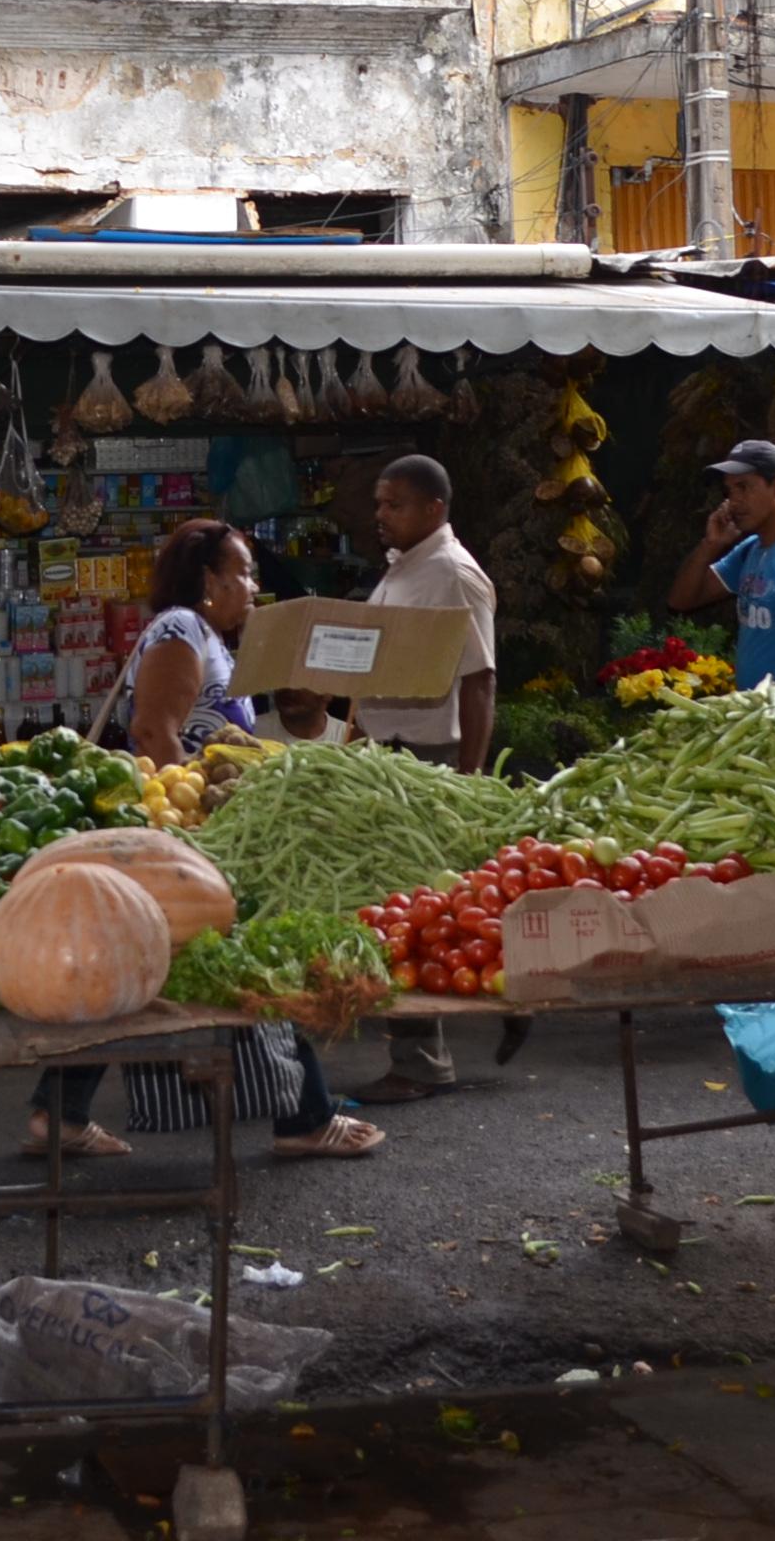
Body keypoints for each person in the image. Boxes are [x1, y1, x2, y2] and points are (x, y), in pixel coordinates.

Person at [30, 519, 385, 1163]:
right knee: (256, 946)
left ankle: (58, 1111)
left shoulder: (211, 638)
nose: (253, 585)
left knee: (139, 965)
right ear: (208, 581)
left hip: (198, 830)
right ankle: (305, 1116)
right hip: (186, 836)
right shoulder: (181, 628)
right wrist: (186, 835)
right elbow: (155, 730)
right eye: (243, 572)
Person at [318, 456, 498, 1107]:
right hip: (385, 755)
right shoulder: (404, 569)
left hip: (428, 757)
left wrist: (469, 780)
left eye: (394, 504)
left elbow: (480, 679)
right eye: (380, 503)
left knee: (413, 910)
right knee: (395, 904)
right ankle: (453, 1030)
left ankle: (423, 1057)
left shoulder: (453, 575)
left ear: (434, 509)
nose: (381, 515)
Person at [670, 439, 775, 691]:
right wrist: (710, 545)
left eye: (743, 487)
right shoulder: (749, 549)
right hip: (751, 717)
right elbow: (680, 601)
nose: (734, 501)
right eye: (729, 491)